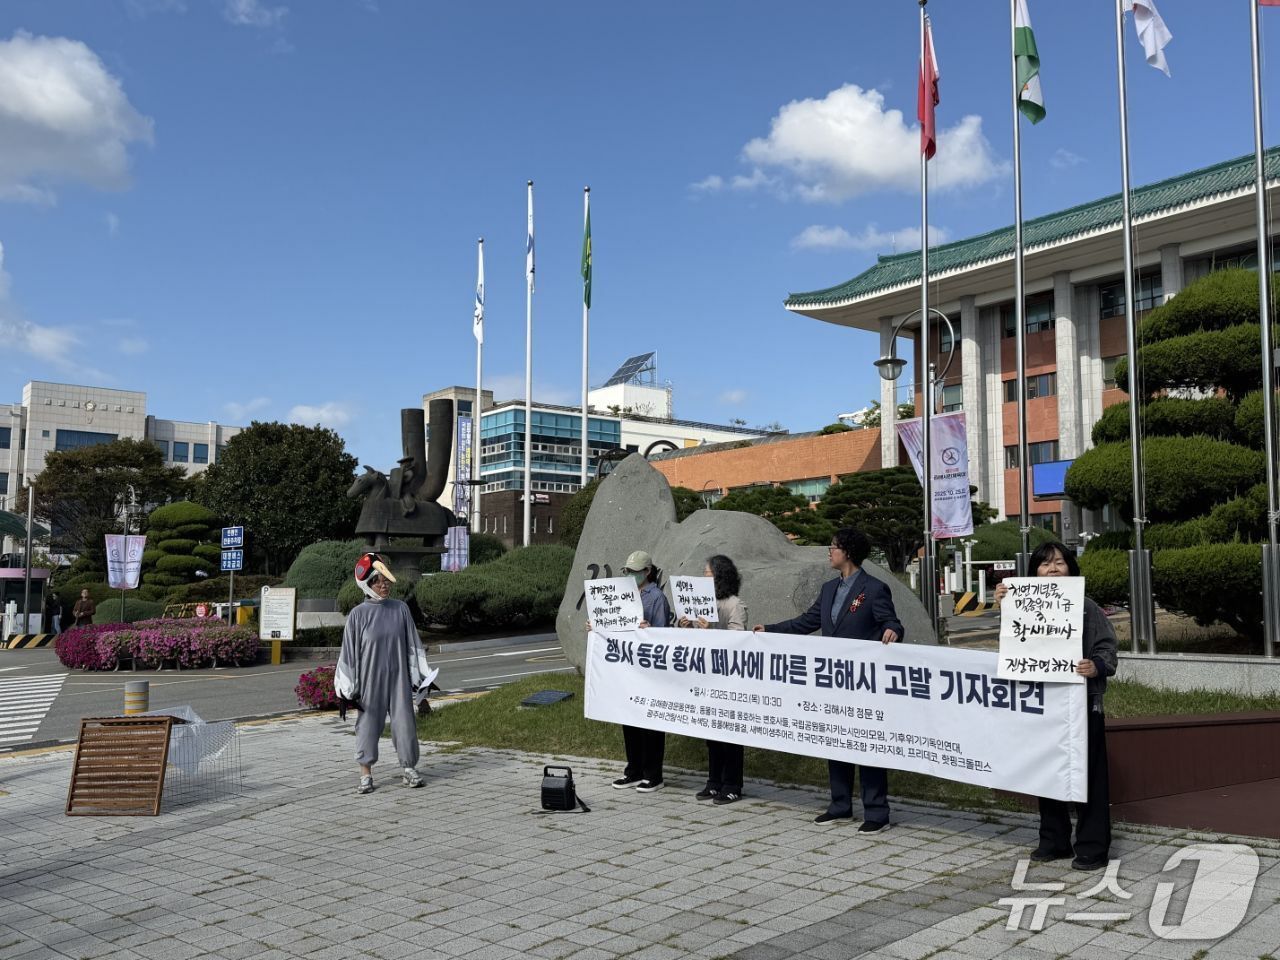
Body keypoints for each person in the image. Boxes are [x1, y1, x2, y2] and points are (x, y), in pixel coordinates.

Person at [755, 527, 903, 831]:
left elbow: (891, 621)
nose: (829, 551)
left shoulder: (874, 588)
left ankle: (877, 813)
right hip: (833, 682)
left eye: (833, 547)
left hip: (862, 683)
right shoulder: (828, 589)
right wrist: (770, 630)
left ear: (847, 552)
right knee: (836, 741)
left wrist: (894, 630)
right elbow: (807, 622)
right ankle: (840, 805)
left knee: (867, 745)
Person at [994, 542, 1117, 871]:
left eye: (1060, 563)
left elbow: (1108, 650)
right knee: (1046, 772)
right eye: (1045, 564)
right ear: (1034, 571)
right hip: (1041, 702)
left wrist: (1096, 666)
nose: (1052, 569)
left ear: (1071, 569)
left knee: (1090, 776)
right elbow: (1012, 648)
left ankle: (1092, 847)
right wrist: (1006, 606)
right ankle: (1053, 840)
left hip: (1082, 703)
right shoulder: (1019, 604)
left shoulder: (1087, 607)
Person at [335, 553, 435, 795]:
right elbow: (349, 654)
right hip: (370, 682)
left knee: (405, 724)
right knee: (368, 725)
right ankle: (365, 774)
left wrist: (421, 678)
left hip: (399, 680)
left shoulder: (400, 609)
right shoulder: (358, 615)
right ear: (367, 584)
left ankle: (409, 768)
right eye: (378, 581)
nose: (384, 585)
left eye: (386, 580)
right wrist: (347, 688)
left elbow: (413, 645)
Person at [678, 554, 748, 805]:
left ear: (719, 576)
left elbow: (738, 641)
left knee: (730, 735)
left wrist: (711, 631)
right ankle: (714, 781)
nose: (703, 577)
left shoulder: (734, 604)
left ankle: (733, 784)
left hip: (728, 679)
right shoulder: (702, 603)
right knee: (711, 733)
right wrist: (688, 627)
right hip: (707, 678)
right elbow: (697, 641)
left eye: (706, 573)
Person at [611, 550, 672, 794]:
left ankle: (653, 775)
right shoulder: (622, 594)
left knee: (650, 723)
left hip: (649, 671)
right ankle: (633, 770)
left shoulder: (656, 597)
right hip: (628, 669)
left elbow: (662, 635)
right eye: (627, 571)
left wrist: (648, 630)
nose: (631, 575)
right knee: (629, 720)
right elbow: (612, 621)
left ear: (647, 571)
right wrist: (596, 626)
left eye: (635, 571)